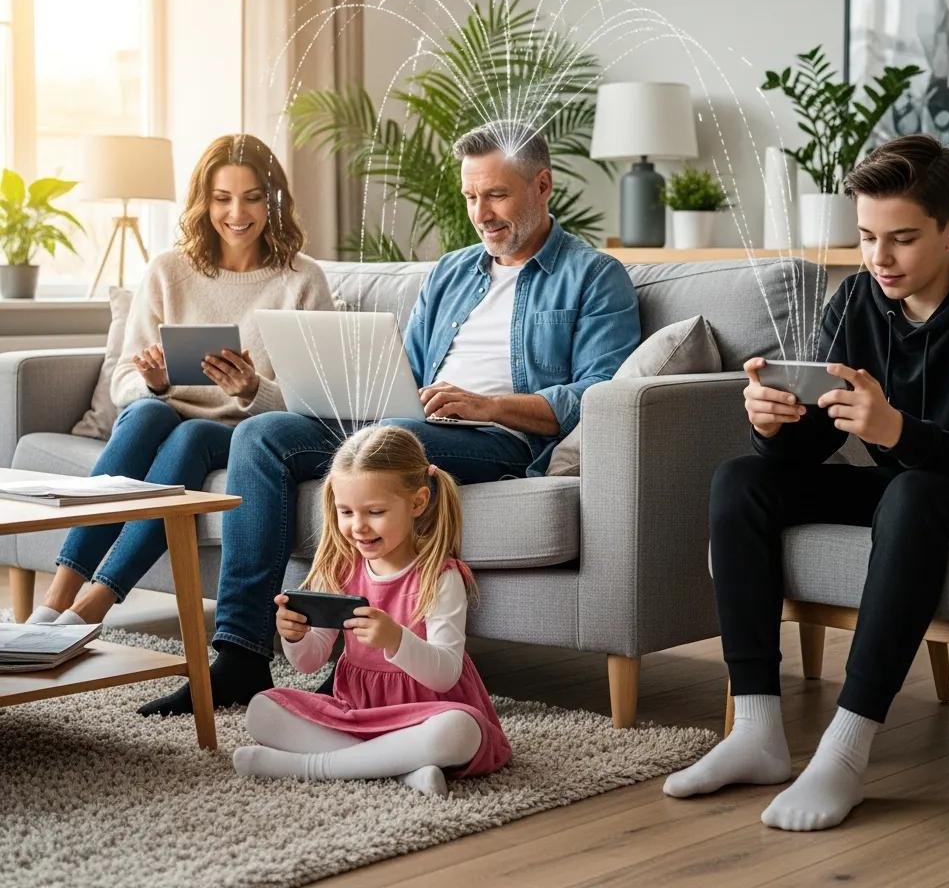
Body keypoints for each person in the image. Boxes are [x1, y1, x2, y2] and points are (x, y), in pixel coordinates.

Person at [139, 120, 640, 717]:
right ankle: (242, 654)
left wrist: (485, 405)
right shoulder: (452, 272)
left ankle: (348, 664)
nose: (482, 213)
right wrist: (367, 388)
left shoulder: (593, 276)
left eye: (497, 195)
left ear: (542, 185)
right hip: (407, 424)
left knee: (376, 439)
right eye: (471, 196)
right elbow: (406, 372)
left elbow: (597, 394)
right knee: (259, 433)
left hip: (498, 438)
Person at [663, 134, 949, 830]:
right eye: (865, 237)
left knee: (912, 489)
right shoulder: (858, 299)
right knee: (742, 481)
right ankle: (757, 732)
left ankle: (846, 750)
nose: (880, 258)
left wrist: (897, 434)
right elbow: (815, 443)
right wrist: (773, 427)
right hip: (910, 492)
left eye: (902, 239)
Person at [26, 134, 334, 627]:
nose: (238, 213)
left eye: (253, 197)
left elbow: (312, 399)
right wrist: (154, 383)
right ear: (203, 202)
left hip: (241, 431)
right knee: (149, 413)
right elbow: (124, 378)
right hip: (164, 411)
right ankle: (55, 600)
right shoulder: (169, 270)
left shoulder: (302, 279)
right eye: (222, 198)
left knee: (191, 434)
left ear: (272, 201)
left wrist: (251, 390)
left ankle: (94, 604)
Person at [233, 424, 510, 794]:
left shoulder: (439, 576)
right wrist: (294, 637)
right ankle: (403, 770)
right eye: (346, 512)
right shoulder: (340, 569)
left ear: (417, 503)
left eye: (375, 511)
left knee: (461, 731)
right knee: (262, 709)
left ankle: (312, 766)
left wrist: (396, 639)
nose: (358, 526)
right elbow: (308, 663)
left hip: (428, 715)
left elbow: (445, 674)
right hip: (358, 713)